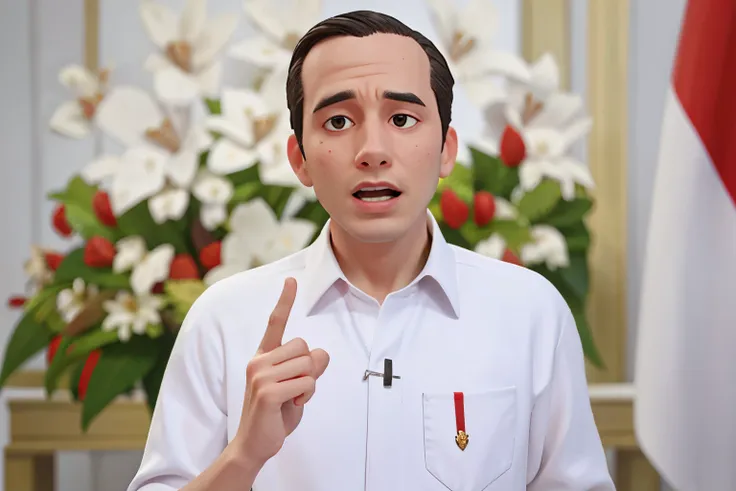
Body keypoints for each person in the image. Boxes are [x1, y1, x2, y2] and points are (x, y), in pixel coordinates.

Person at [127, 9, 614, 491]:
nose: (372, 149)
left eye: (402, 118)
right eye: (338, 121)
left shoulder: (530, 312)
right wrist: (243, 457)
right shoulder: (224, 319)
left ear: (446, 148)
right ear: (299, 159)